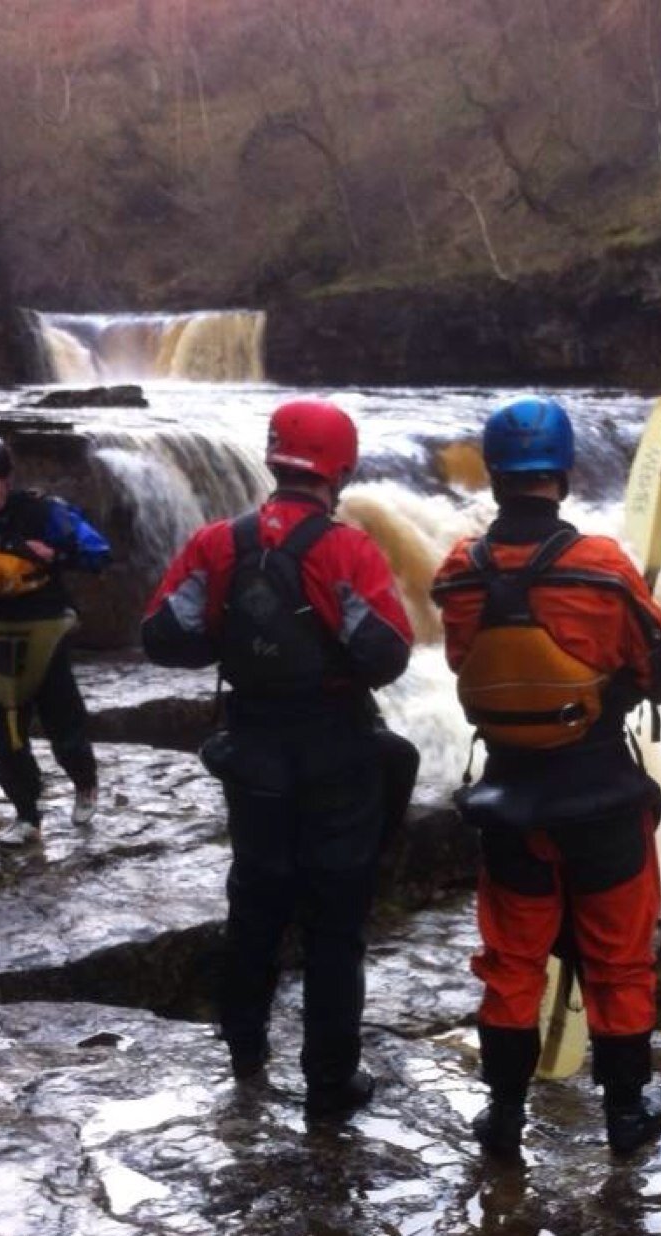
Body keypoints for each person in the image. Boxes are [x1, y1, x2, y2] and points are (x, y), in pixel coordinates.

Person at [430, 396, 661, 1158]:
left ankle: (505, 1117)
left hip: (510, 799)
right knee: (618, 956)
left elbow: (466, 666)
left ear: (495, 477)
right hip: (600, 797)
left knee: (511, 959)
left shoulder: (458, 574)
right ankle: (625, 1115)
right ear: (564, 475)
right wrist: (609, 676)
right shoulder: (605, 569)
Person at [141, 398, 416, 1115]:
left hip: (253, 752)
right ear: (340, 469)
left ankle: (245, 1049)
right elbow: (386, 652)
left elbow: (163, 635)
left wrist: (232, 639)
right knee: (334, 922)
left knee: (255, 904)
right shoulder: (348, 550)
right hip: (336, 752)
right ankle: (331, 1081)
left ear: (275, 459)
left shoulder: (216, 543)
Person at [0, 434, 112, 844]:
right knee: (3, 722)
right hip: (0, 626)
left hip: (46, 623)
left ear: (6, 479)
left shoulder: (45, 512)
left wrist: (55, 555)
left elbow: (99, 553)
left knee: (60, 710)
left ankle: (84, 782)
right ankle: (27, 815)